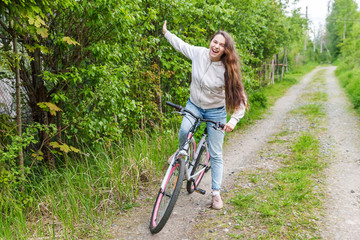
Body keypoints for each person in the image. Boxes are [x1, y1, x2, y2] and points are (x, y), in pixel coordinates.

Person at [162, 21, 248, 210]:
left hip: (215, 111)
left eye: (221, 45)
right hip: (194, 104)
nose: (216, 46)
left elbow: (241, 99)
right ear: (210, 42)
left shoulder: (227, 70)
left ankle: (216, 194)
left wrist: (233, 120)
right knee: (184, 129)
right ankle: (181, 151)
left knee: (216, 153)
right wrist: (166, 33)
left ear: (226, 50)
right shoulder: (199, 53)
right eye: (214, 41)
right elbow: (181, 46)